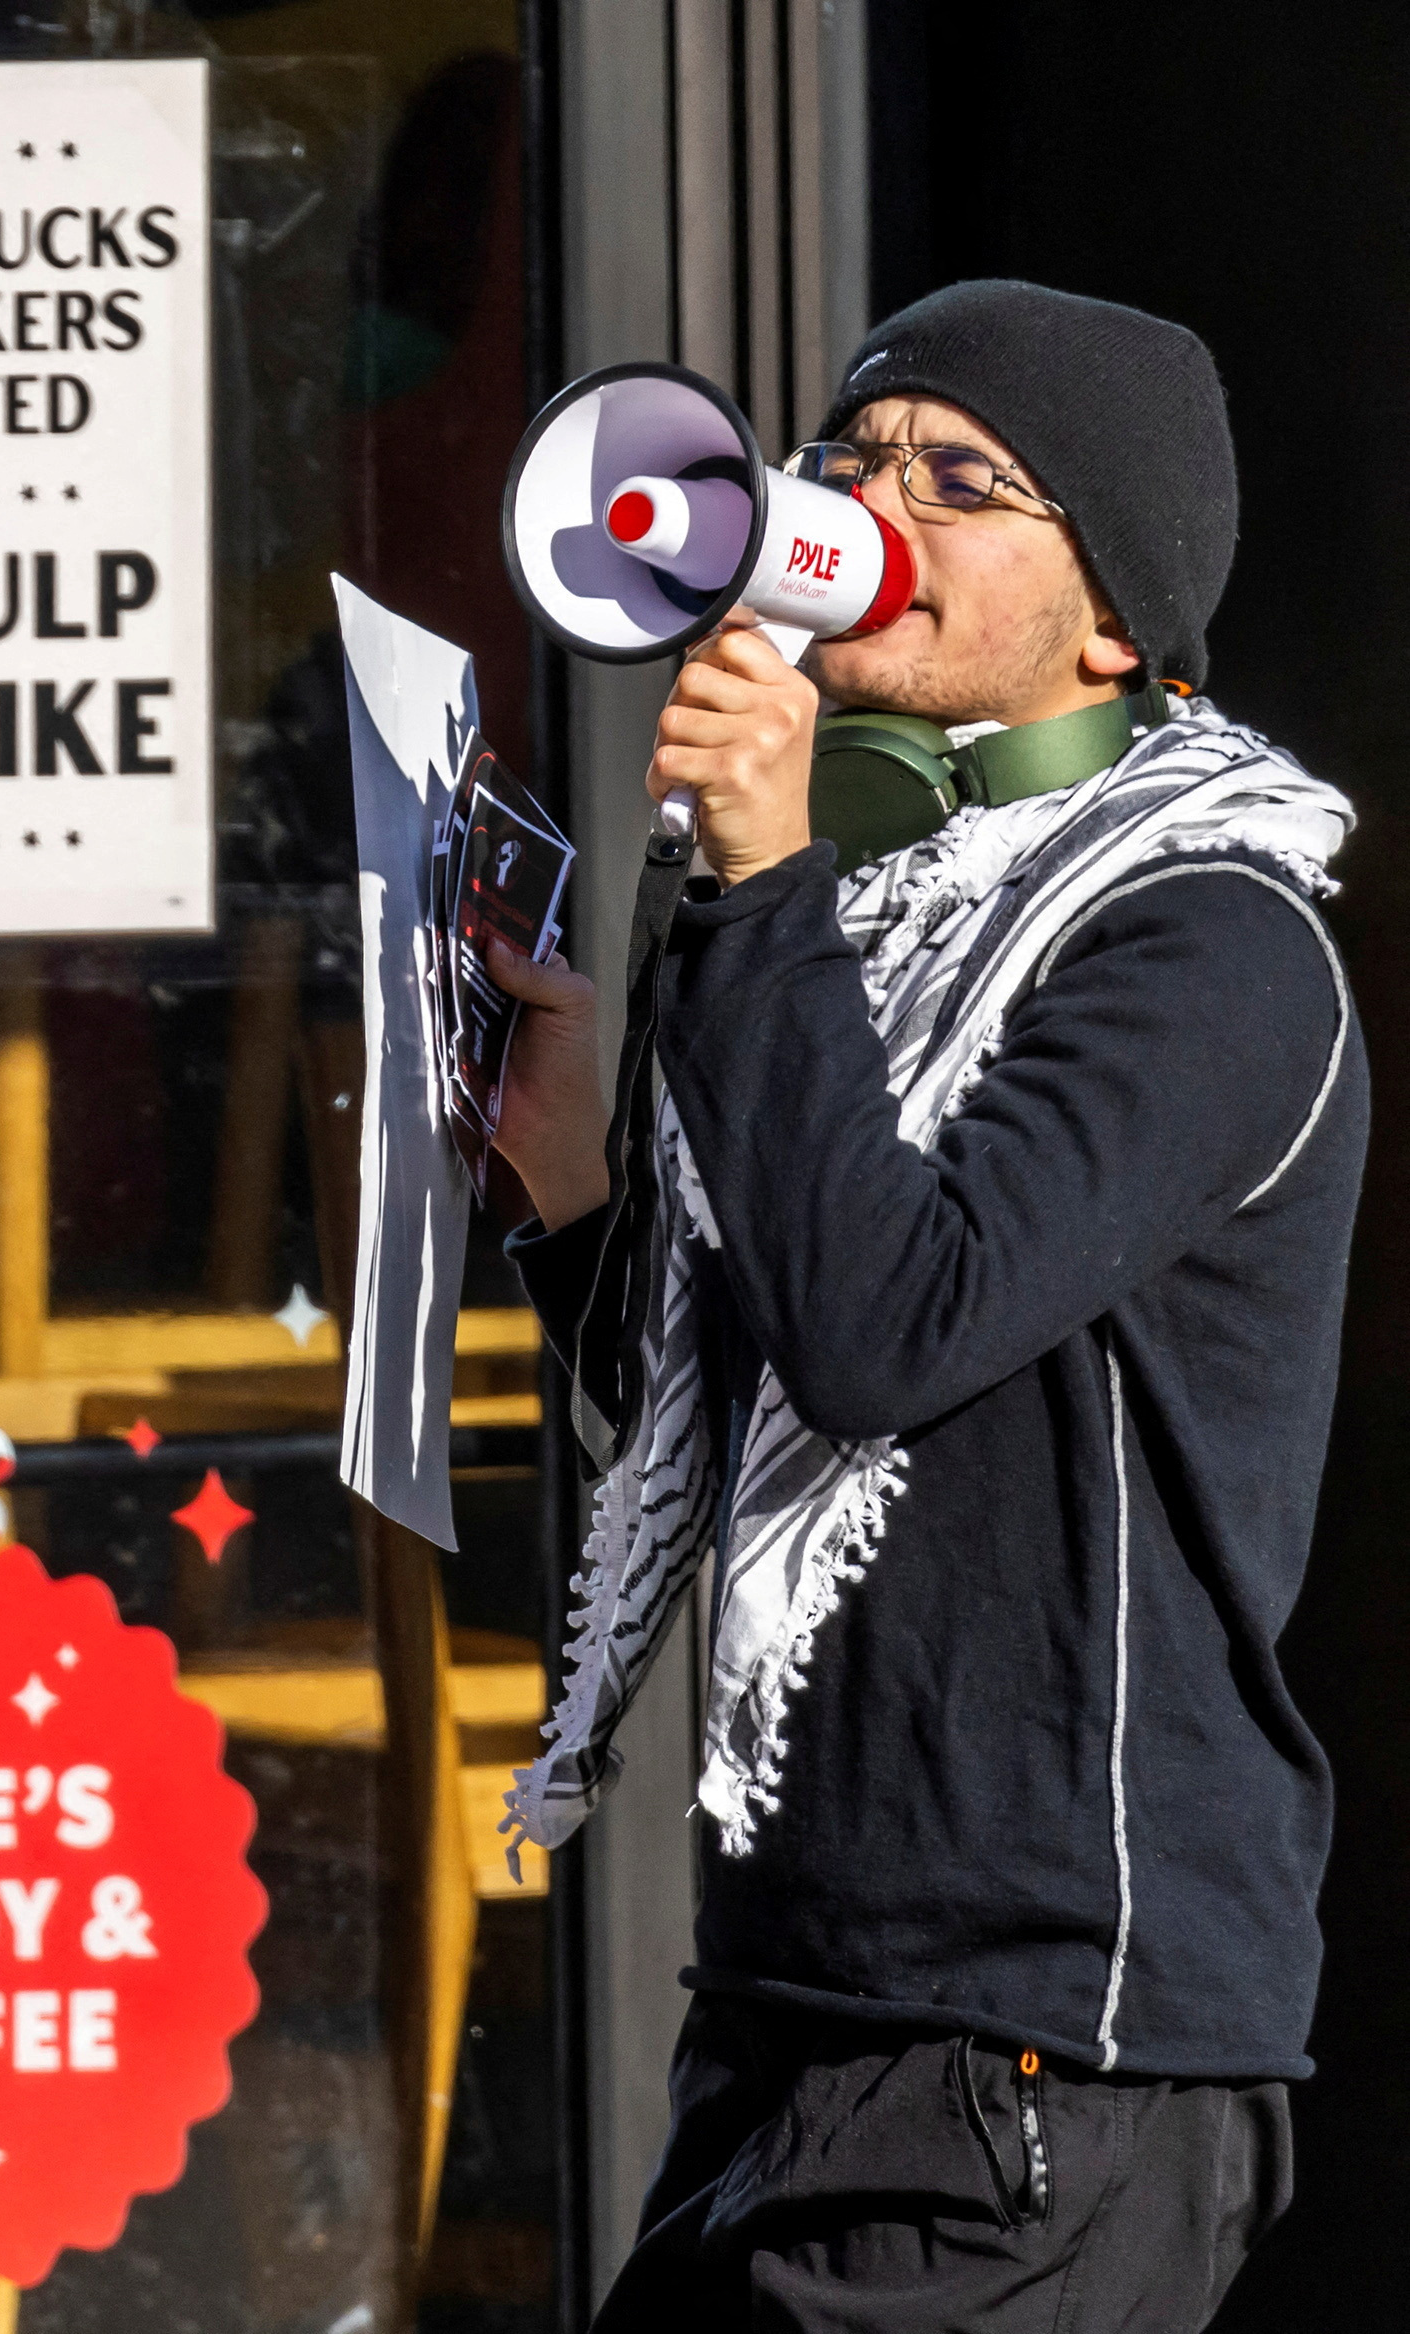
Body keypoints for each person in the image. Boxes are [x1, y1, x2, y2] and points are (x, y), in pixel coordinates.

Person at [487, 281, 1360, 2329]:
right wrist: (565, 1179)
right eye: (854, 456)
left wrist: (767, 881)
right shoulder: (846, 919)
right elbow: (746, 1373)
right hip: (800, 2004)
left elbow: (892, 1320)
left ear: (1115, 618)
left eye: (963, 480)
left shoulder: (1207, 947)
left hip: (1039, 2044)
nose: (877, 503)